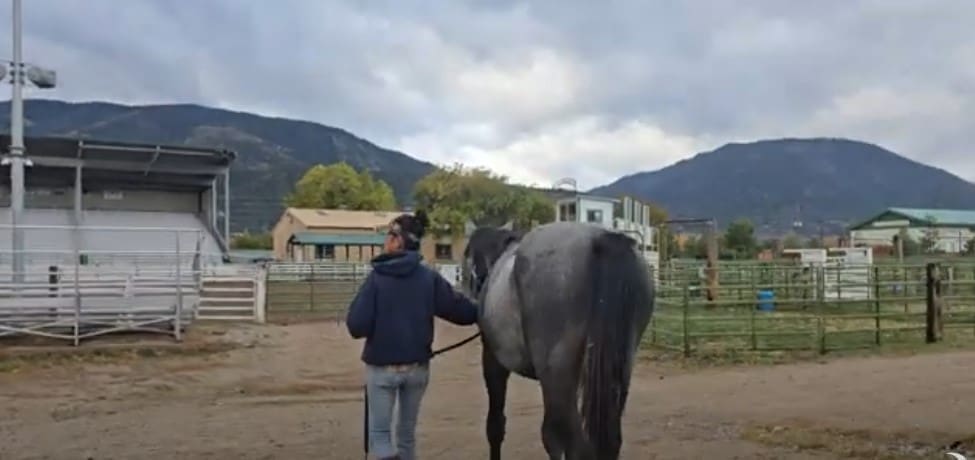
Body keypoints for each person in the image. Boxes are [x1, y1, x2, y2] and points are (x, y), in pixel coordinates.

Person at [346, 210, 479, 460]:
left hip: (382, 369)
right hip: (417, 369)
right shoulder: (429, 278)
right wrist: (487, 309)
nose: (386, 240)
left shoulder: (377, 279)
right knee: (406, 436)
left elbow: (356, 326)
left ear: (398, 241)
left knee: (380, 435)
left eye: (389, 235)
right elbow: (462, 312)